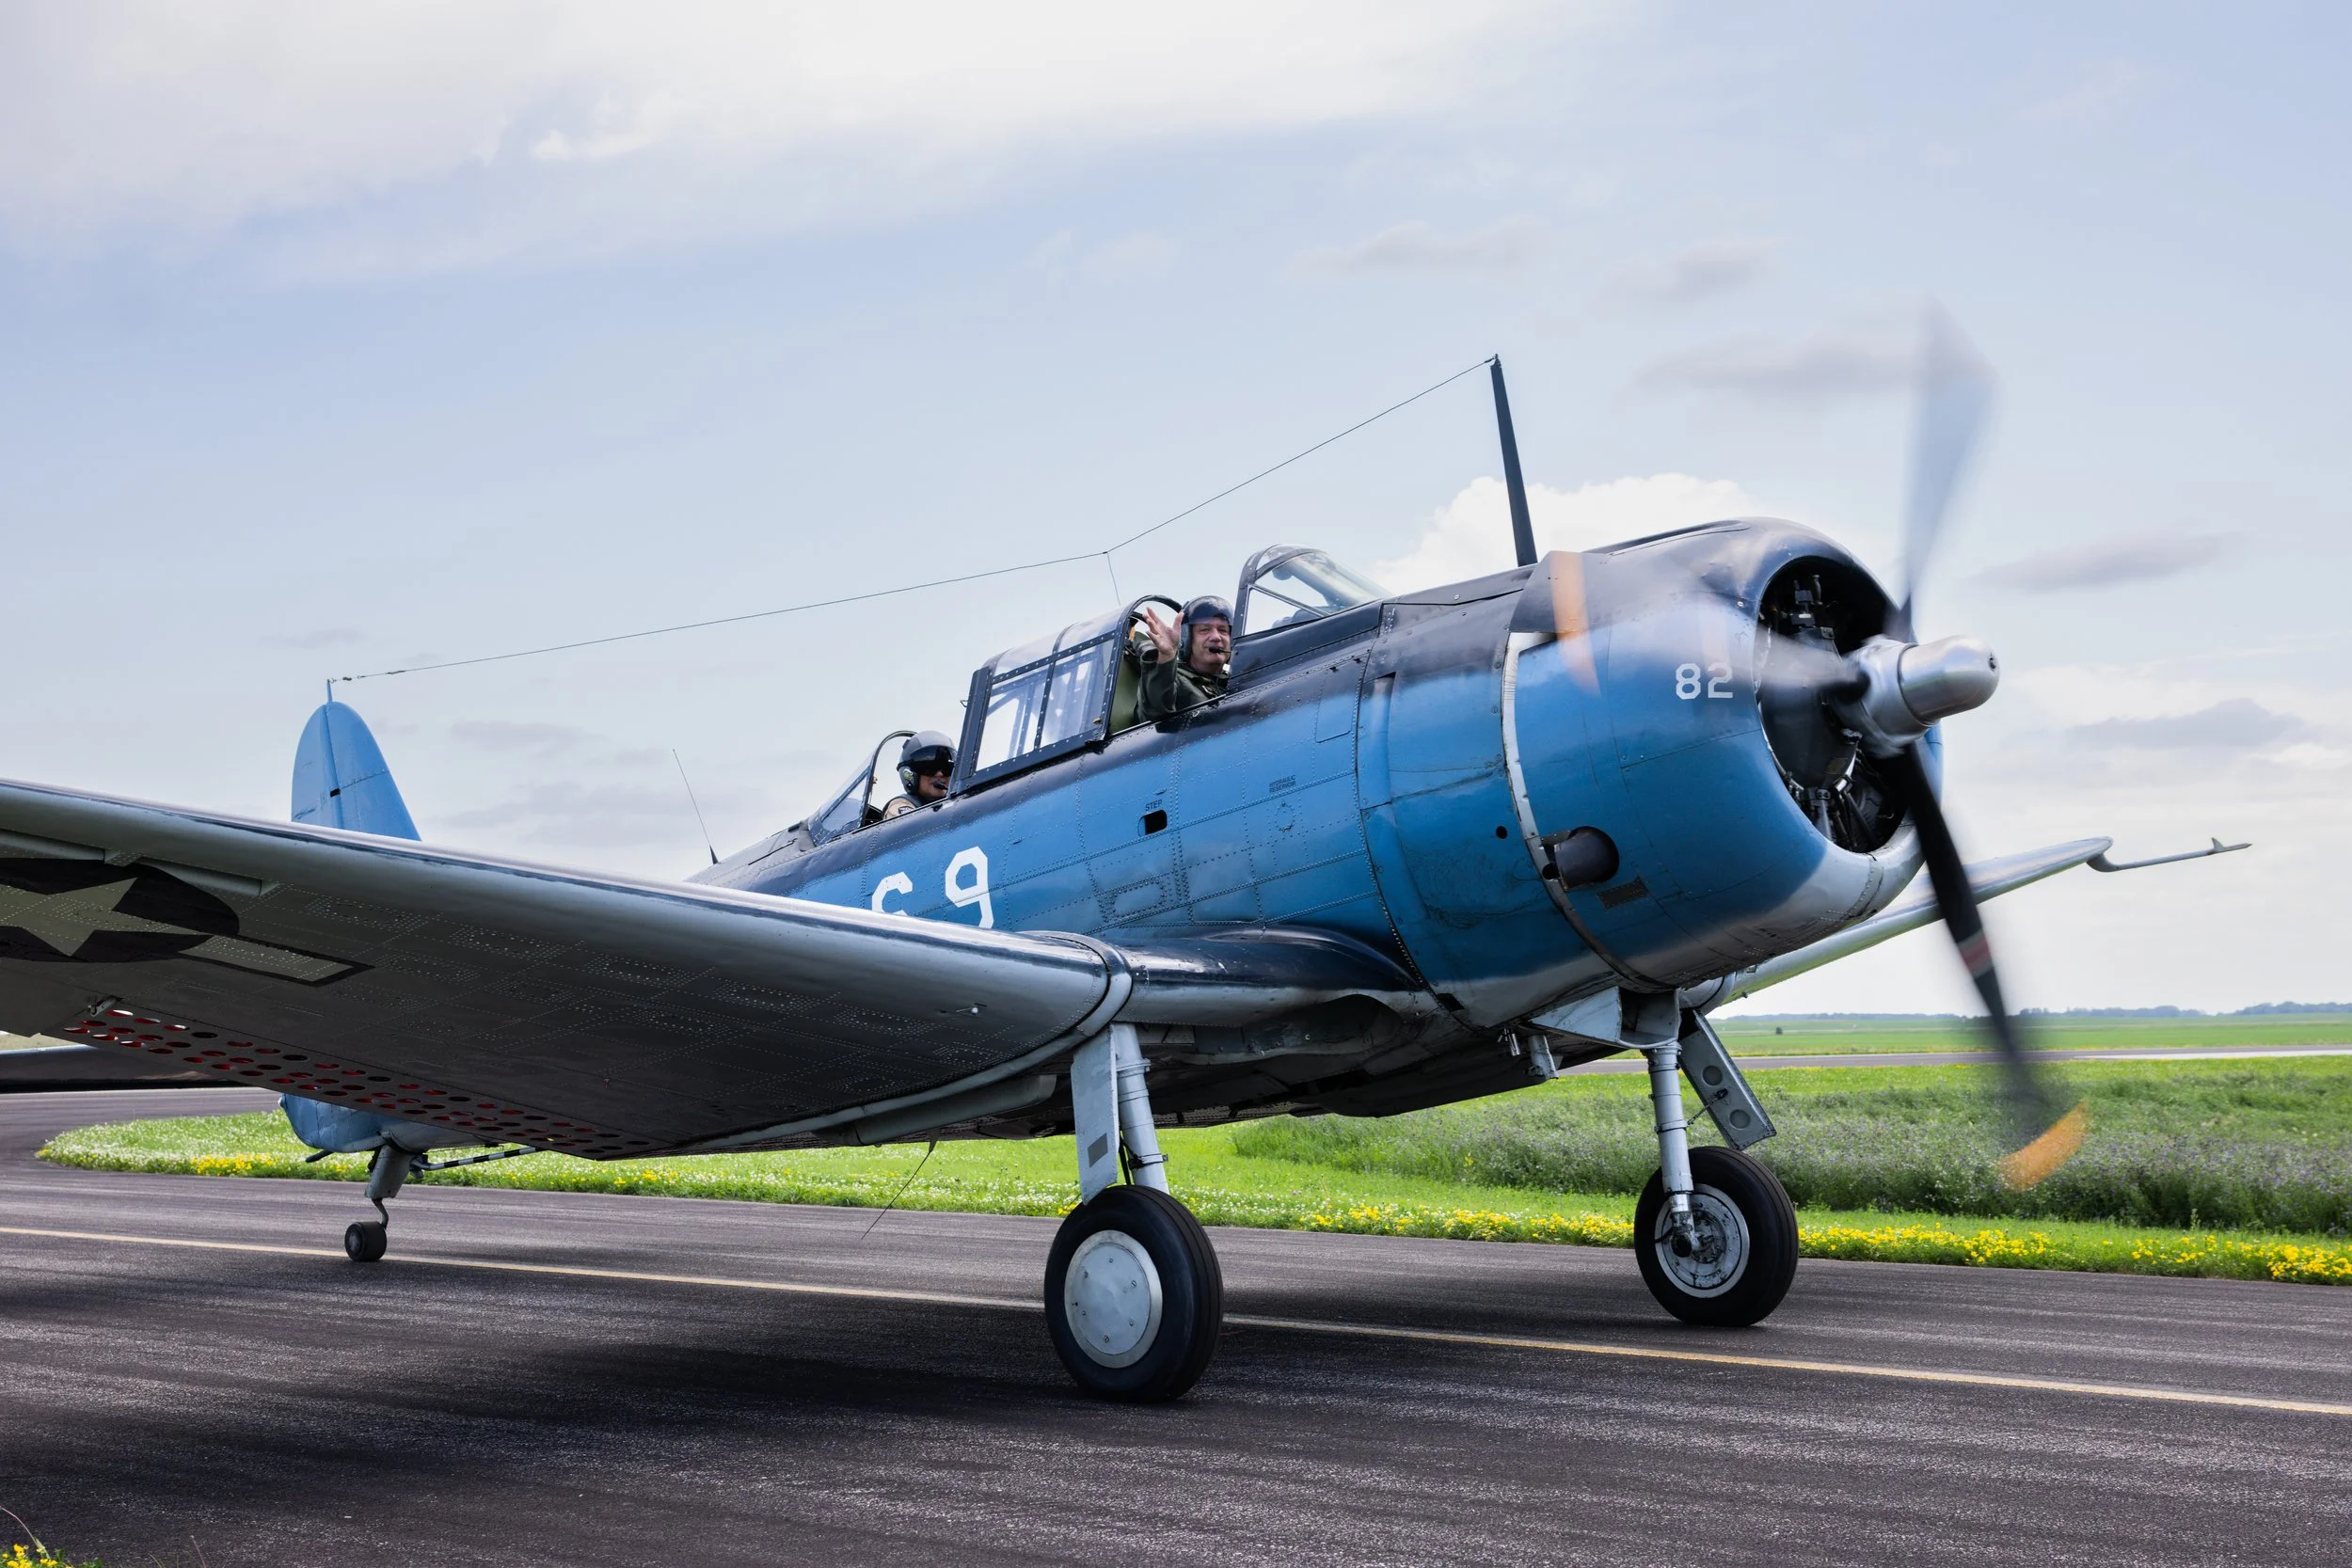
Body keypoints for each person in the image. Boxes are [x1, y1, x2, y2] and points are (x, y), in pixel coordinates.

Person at [1136, 595, 1232, 721]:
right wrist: (1166, 657)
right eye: (1204, 630)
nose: (1216, 637)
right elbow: (1155, 717)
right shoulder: (1173, 680)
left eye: (1223, 630)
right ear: (1187, 640)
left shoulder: (1237, 681)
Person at [880, 731, 955, 819]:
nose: (940, 774)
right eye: (930, 768)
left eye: (947, 768)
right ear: (910, 773)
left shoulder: (956, 801)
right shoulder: (901, 804)